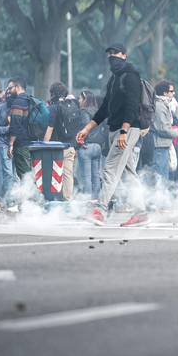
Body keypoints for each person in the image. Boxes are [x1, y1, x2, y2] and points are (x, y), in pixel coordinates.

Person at [74, 44, 149, 226]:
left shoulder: (131, 77)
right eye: (109, 54)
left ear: (124, 55)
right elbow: (103, 109)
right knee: (127, 174)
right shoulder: (114, 79)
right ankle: (141, 213)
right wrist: (86, 129)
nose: (112, 56)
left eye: (115, 53)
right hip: (115, 129)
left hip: (127, 129)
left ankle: (100, 210)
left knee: (110, 169)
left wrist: (124, 131)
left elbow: (132, 106)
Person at [43, 81, 82, 201]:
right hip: (70, 146)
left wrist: (44, 144)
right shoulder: (73, 106)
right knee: (68, 173)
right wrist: (75, 147)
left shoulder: (54, 107)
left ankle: (54, 197)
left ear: (53, 94)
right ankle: (67, 199)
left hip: (56, 147)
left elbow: (50, 128)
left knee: (54, 172)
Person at [150, 80, 178, 204]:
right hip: (160, 144)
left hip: (164, 144)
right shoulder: (160, 106)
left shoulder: (164, 104)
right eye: (171, 91)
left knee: (164, 175)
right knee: (159, 175)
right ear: (164, 93)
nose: (174, 93)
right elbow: (162, 128)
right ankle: (156, 202)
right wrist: (175, 132)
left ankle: (163, 202)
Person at [6, 77, 36, 183]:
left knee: (25, 175)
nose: (8, 91)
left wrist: (10, 144)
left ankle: (30, 199)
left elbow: (15, 126)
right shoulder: (30, 100)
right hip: (33, 142)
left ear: (18, 87)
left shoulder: (18, 103)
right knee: (31, 174)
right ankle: (34, 197)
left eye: (10, 88)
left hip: (21, 144)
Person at [75, 90, 104, 199]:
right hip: (97, 146)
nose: (79, 101)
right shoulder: (98, 111)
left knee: (86, 177)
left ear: (85, 99)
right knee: (95, 176)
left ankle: (87, 202)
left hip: (87, 146)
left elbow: (85, 125)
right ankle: (96, 201)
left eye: (80, 99)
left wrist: (80, 142)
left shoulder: (84, 111)